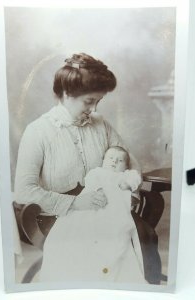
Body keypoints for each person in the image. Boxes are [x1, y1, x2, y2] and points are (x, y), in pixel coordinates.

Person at [14, 53, 161, 284]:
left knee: (144, 236)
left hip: (105, 210)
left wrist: (129, 186)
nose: (93, 109)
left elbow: (128, 157)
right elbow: (24, 191)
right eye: (89, 101)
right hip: (57, 215)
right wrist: (74, 202)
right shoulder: (38, 132)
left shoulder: (100, 124)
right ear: (66, 94)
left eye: (97, 102)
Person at [40, 146, 146, 283]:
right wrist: (99, 188)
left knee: (115, 234)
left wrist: (128, 184)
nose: (114, 162)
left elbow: (135, 177)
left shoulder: (124, 176)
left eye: (120, 160)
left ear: (126, 166)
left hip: (113, 211)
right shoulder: (98, 172)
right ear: (103, 161)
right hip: (91, 204)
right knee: (76, 226)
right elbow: (91, 181)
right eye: (111, 158)